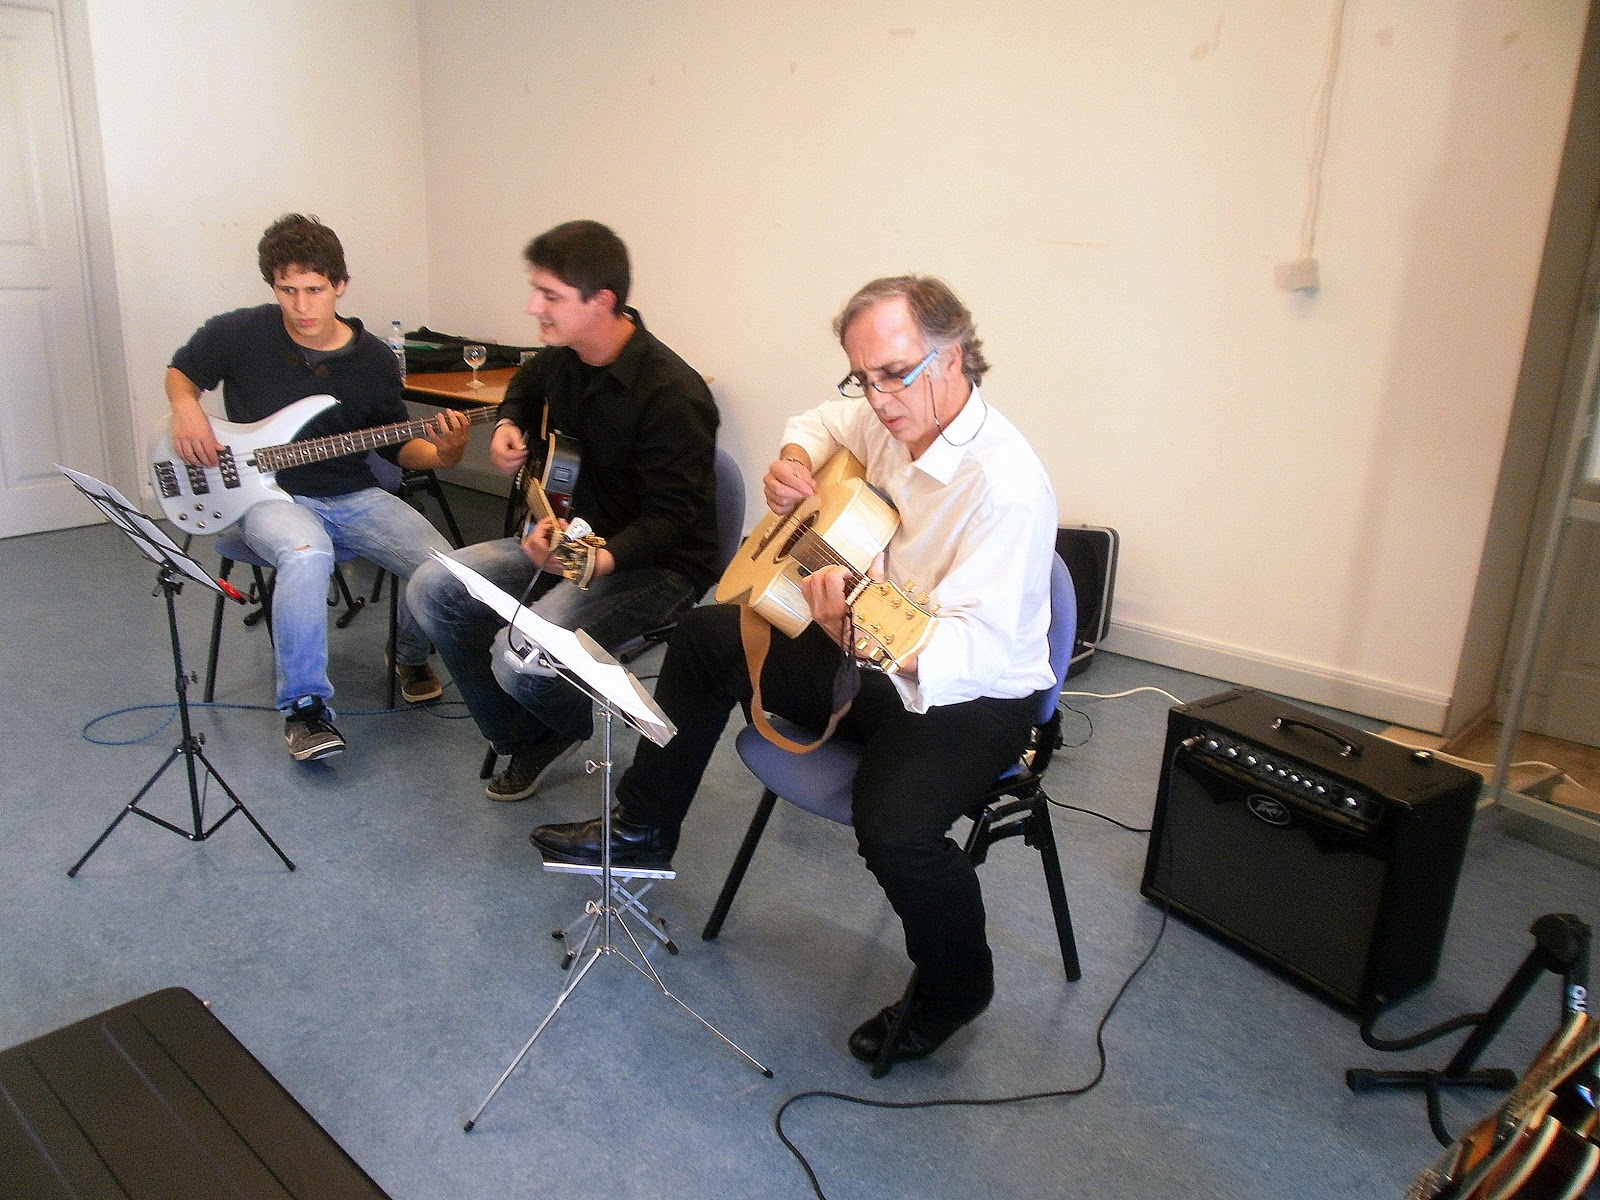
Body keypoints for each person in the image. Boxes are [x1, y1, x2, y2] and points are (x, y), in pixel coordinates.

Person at [531, 276, 1059, 1067]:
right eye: (862, 377)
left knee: (896, 831)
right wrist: (791, 463)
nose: (877, 399)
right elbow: (819, 422)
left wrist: (860, 623)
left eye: (895, 374)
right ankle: (643, 826)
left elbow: (974, 648)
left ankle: (957, 988)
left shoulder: (1006, 487)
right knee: (708, 635)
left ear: (953, 359)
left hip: (970, 695)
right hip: (870, 646)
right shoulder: (888, 416)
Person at [408, 220, 719, 802]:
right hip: (570, 537)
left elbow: (673, 519)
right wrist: (508, 422)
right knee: (433, 587)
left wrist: (583, 562)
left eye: (549, 296)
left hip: (655, 566)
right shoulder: (565, 357)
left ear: (601, 301)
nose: (533, 307)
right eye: (536, 291)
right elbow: (526, 384)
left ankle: (568, 723)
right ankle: (529, 735)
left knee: (519, 658)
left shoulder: (673, 394)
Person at [166, 213, 471, 762]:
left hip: (352, 493)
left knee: (445, 570)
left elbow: (396, 444)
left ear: (340, 286)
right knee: (307, 554)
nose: (302, 307)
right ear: (273, 287)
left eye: (315, 290)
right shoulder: (240, 332)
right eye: (288, 291)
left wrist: (445, 453)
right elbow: (181, 372)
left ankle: (408, 655)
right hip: (265, 496)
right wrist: (186, 407)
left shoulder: (373, 358)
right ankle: (305, 711)